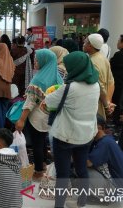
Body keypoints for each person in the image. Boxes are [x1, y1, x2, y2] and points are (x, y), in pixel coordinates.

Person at [45, 51, 100, 208]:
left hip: (65, 136)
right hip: (86, 135)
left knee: (62, 175)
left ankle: (59, 206)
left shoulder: (70, 88)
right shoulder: (95, 85)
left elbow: (49, 102)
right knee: (82, 169)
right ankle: (81, 202)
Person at [16, 49, 63, 180]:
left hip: (36, 118)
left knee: (37, 144)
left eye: (37, 60)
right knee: (42, 142)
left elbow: (30, 103)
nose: (35, 62)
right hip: (50, 117)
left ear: (44, 61)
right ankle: (42, 164)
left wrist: (21, 120)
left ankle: (38, 171)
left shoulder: (39, 79)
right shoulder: (58, 78)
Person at [83, 33, 115, 120]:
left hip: (97, 102)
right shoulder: (103, 58)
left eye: (85, 42)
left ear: (90, 45)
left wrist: (106, 105)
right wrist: (108, 101)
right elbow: (111, 82)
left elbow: (100, 87)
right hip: (104, 99)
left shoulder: (92, 62)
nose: (83, 43)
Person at [110, 34, 123, 125]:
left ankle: (116, 122)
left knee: (117, 103)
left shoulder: (119, 55)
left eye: (119, 41)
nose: (117, 43)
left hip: (118, 83)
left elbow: (111, 65)